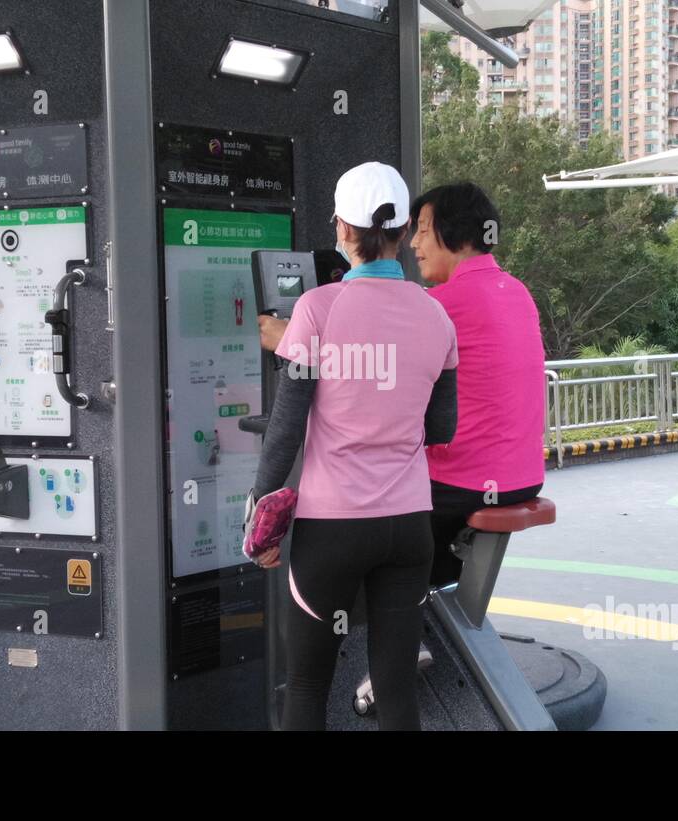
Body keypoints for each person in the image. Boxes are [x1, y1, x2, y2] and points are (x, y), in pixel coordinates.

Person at [251, 161, 458, 731]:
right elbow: (442, 428)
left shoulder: (316, 309)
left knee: (308, 687)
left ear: (343, 231)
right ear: (400, 233)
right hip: (409, 526)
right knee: (395, 690)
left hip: (332, 528)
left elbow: (286, 428)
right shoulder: (436, 315)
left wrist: (261, 520)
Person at [409, 182, 545, 587]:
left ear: (455, 233)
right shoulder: (518, 291)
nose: (414, 242)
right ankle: (434, 633)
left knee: (373, 525)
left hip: (463, 481)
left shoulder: (439, 303)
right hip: (524, 475)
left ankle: (404, 641)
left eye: (422, 229)